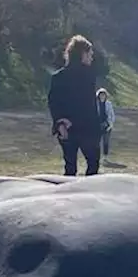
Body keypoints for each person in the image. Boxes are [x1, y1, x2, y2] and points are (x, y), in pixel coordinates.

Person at [47, 35, 102, 176]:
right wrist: (63, 123)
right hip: (84, 129)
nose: (91, 57)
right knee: (92, 166)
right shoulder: (88, 76)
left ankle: (68, 196)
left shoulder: (58, 77)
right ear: (83, 54)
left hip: (67, 128)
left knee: (70, 167)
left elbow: (53, 102)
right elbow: (86, 106)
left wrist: (60, 121)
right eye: (89, 54)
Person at [96, 88, 116, 161]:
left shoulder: (108, 104)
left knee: (106, 141)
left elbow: (112, 115)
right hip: (97, 125)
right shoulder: (95, 104)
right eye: (101, 95)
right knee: (96, 142)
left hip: (106, 125)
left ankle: (105, 157)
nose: (102, 96)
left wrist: (111, 124)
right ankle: (96, 156)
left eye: (104, 95)